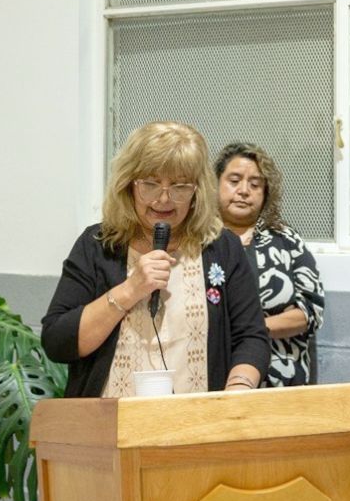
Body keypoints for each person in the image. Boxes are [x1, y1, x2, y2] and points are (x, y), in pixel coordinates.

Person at [42, 121, 270, 398]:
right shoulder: (98, 245)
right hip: (108, 426)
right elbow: (57, 342)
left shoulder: (221, 247)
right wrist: (129, 290)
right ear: (128, 185)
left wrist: (238, 389)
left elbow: (251, 337)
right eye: (150, 185)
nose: (164, 199)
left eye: (179, 187)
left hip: (197, 425)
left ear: (196, 191)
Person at [214, 142, 325, 387]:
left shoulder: (286, 240)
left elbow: (310, 312)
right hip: (215, 379)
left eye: (255, 184)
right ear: (215, 184)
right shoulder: (200, 242)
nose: (244, 191)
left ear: (265, 193)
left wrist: (251, 329)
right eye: (234, 181)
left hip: (281, 381)